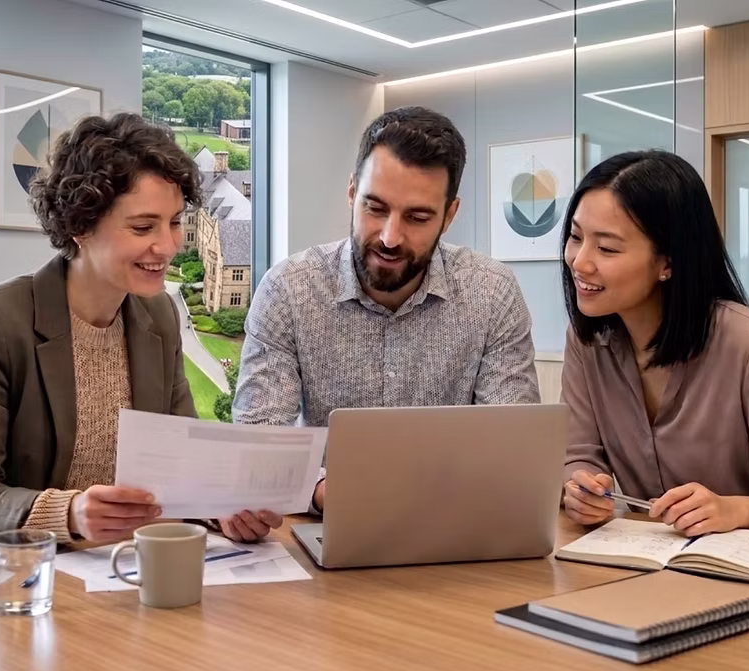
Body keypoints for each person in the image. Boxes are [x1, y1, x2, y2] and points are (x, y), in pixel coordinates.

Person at [0, 113, 279, 551]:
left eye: (175, 222)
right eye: (143, 227)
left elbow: (181, 461)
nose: (168, 246)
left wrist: (218, 505)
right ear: (80, 226)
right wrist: (68, 513)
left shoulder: (159, 315)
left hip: (98, 570)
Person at [232, 106, 541, 513]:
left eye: (417, 217)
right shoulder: (289, 289)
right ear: (350, 192)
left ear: (449, 215)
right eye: (375, 208)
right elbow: (259, 441)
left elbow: (512, 445)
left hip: (456, 526)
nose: (391, 238)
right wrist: (326, 491)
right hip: (329, 525)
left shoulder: (492, 293)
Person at [560, 150, 749, 536]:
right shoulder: (586, 341)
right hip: (641, 567)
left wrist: (733, 511)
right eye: (576, 237)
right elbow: (577, 457)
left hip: (741, 574)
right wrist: (580, 488)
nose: (580, 261)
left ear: (668, 263)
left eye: (606, 248)